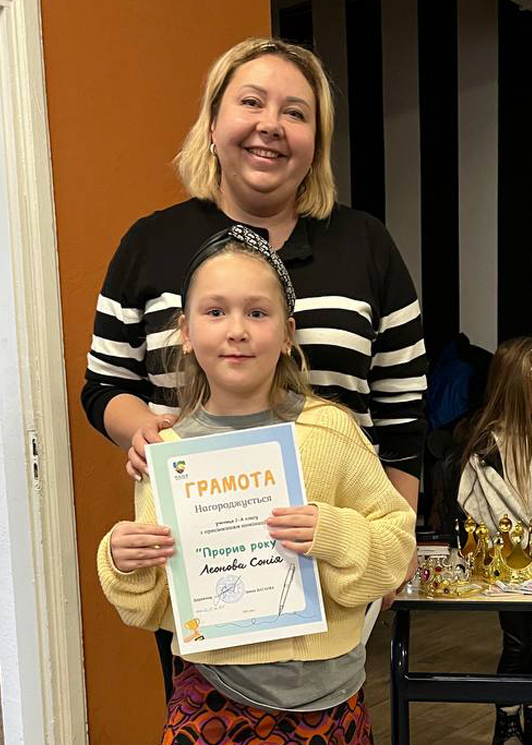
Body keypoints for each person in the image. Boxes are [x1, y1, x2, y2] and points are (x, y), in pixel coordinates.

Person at [83, 37, 425, 699]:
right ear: (213, 123)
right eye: (251, 103)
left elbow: (403, 408)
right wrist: (147, 435)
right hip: (206, 565)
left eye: (295, 112)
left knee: (330, 709)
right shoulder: (150, 244)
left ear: (316, 142)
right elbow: (105, 384)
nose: (271, 124)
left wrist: (395, 547)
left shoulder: (366, 245)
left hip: (332, 558)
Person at [97, 226, 416, 744]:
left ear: (287, 334)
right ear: (185, 331)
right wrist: (122, 561)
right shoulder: (166, 454)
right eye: (215, 311)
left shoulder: (331, 432)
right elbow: (150, 605)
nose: (237, 330)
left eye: (257, 313)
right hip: (210, 695)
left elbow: (396, 545)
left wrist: (334, 534)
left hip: (330, 698)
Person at [457, 337, 532, 745]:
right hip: (507, 567)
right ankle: (506, 721)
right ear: (521, 387)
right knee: (517, 640)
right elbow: (479, 504)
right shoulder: (488, 447)